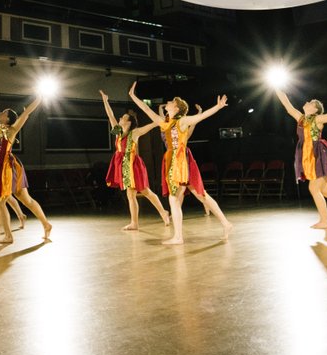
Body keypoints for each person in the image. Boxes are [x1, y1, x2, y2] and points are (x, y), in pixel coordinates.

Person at [129, 82, 233, 245]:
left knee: (175, 198)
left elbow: (201, 116)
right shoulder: (165, 122)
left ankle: (178, 237)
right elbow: (147, 109)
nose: (167, 103)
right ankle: (226, 224)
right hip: (174, 160)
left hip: (181, 161)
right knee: (201, 195)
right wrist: (133, 96)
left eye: (171, 102)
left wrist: (218, 107)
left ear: (176, 108)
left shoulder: (182, 121)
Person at [0, 82, 52, 243]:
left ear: (7, 118)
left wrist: (40, 97)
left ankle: (9, 236)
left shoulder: (12, 129)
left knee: (5, 199)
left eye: (3, 112)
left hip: (8, 166)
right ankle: (46, 224)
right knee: (20, 199)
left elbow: (27, 112)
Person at [274, 88, 327, 230]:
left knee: (313, 188)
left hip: (319, 155)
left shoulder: (318, 119)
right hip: (309, 157)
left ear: (315, 109)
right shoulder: (300, 118)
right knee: (326, 192)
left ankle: (324, 221)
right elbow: (287, 104)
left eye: (311, 102)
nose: (306, 102)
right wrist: (276, 88)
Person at [100, 90, 169, 231]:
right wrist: (105, 101)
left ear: (129, 122)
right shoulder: (118, 131)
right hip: (123, 165)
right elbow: (110, 115)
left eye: (123, 118)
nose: (120, 118)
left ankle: (163, 212)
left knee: (145, 191)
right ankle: (134, 223)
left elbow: (152, 125)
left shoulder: (135, 133)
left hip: (133, 165)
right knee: (130, 194)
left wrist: (162, 121)